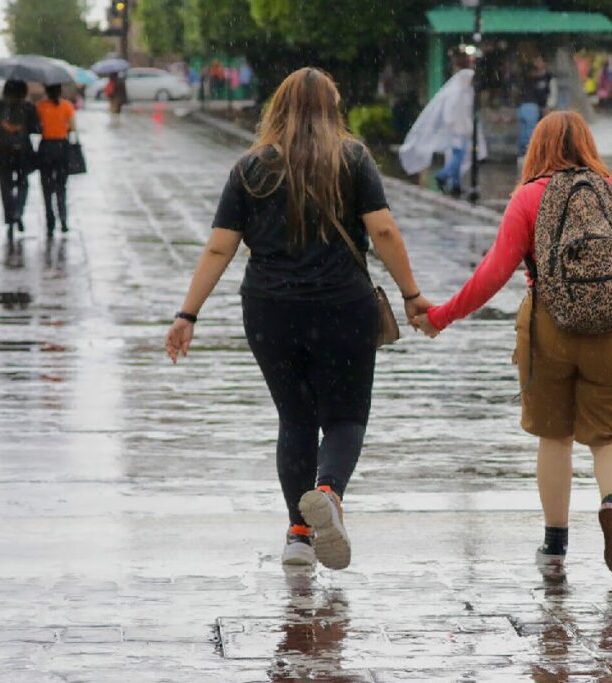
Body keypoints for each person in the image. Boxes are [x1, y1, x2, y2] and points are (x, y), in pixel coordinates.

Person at [164, 67, 430, 570]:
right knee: (346, 418)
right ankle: (328, 492)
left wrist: (187, 314)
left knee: (295, 419)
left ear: (277, 109)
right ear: (333, 109)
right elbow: (385, 233)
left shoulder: (249, 169)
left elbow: (221, 245)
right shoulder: (352, 159)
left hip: (270, 310)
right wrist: (411, 294)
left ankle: (299, 535)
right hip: (342, 308)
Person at [415, 111, 612, 579]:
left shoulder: (529, 198)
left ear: (537, 148)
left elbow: (492, 275)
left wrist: (442, 315)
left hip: (549, 330)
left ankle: (555, 546)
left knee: (554, 435)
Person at [399, 56, 485, 198]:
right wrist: (457, 126)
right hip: (458, 130)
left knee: (457, 155)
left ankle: (455, 185)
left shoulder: (464, 91)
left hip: (461, 129)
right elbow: (451, 113)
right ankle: (443, 176)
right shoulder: (457, 92)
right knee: (459, 155)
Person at [0, 79, 39, 234]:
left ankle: (10, 215)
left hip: (3, 150)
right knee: (23, 183)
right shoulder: (28, 107)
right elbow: (37, 128)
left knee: (5, 184)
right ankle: (18, 211)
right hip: (23, 152)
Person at [36, 84, 76, 236]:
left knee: (46, 187)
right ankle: (63, 218)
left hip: (46, 147)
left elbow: (37, 127)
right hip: (62, 147)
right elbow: (73, 127)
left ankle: (50, 220)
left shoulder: (40, 106)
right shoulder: (67, 106)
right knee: (61, 186)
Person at [516, 55, 557, 159]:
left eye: (539, 61)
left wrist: (548, 107)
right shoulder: (528, 78)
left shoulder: (549, 77)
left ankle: (538, 153)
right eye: (536, 61)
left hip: (543, 109)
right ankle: (527, 153)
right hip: (530, 107)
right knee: (526, 133)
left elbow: (553, 93)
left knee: (541, 132)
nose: (537, 64)